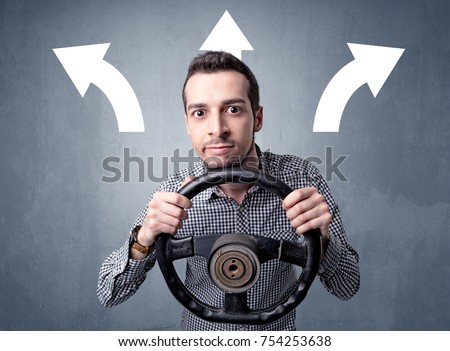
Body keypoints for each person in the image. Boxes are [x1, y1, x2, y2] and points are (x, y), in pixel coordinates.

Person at [97, 51, 360, 331]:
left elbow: (347, 286)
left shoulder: (302, 181)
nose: (217, 129)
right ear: (187, 124)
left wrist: (323, 241)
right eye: (200, 113)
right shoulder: (173, 194)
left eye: (233, 109)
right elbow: (109, 294)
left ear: (257, 118)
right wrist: (144, 239)